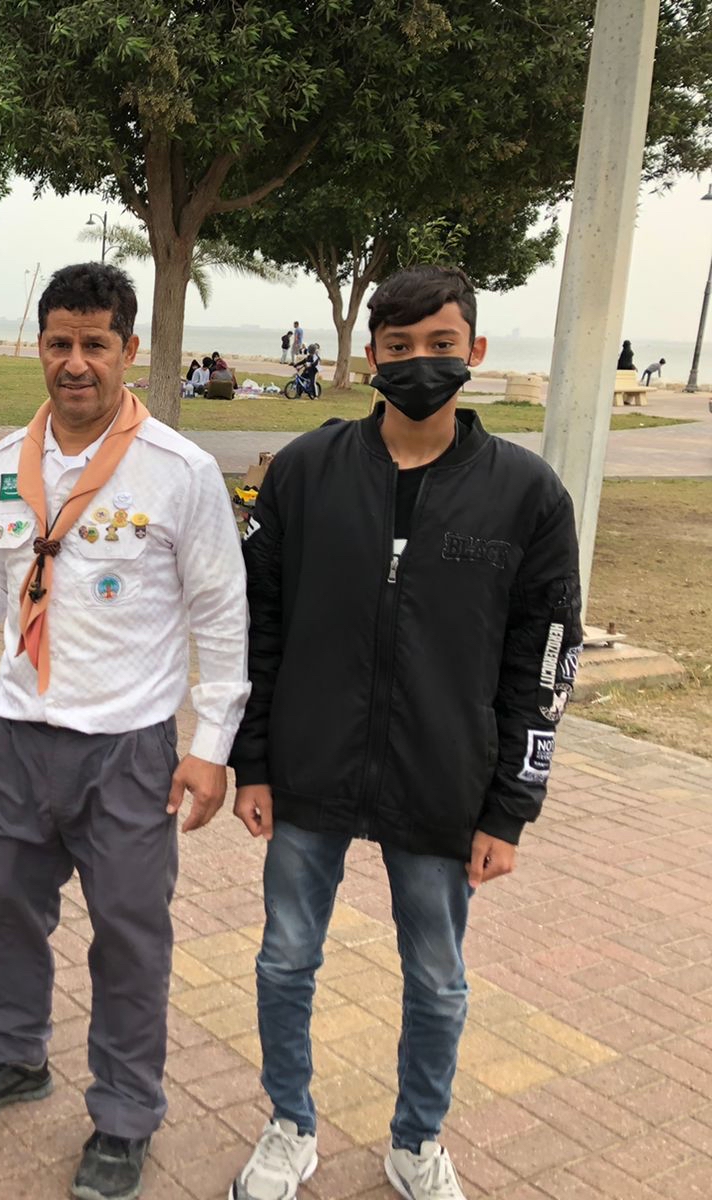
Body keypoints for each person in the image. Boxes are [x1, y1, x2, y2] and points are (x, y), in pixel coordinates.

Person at [0, 262, 250, 1200]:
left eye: (96, 345)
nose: (76, 363)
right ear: (40, 346)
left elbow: (221, 613)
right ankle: (13, 1053)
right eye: (60, 343)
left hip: (128, 749)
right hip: (15, 737)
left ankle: (124, 1113)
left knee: (130, 937)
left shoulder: (180, 471)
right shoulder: (8, 461)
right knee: (5, 914)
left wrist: (211, 746)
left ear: (129, 350)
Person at [226, 266, 582, 1200]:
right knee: (285, 959)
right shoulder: (306, 471)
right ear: (372, 355)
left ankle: (417, 1140)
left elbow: (544, 661)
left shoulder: (528, 494)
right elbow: (258, 626)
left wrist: (510, 809)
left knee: (437, 979)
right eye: (399, 346)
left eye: (440, 344)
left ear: (475, 352)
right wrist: (252, 761)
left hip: (442, 780)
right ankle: (289, 1124)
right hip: (308, 766)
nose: (420, 361)